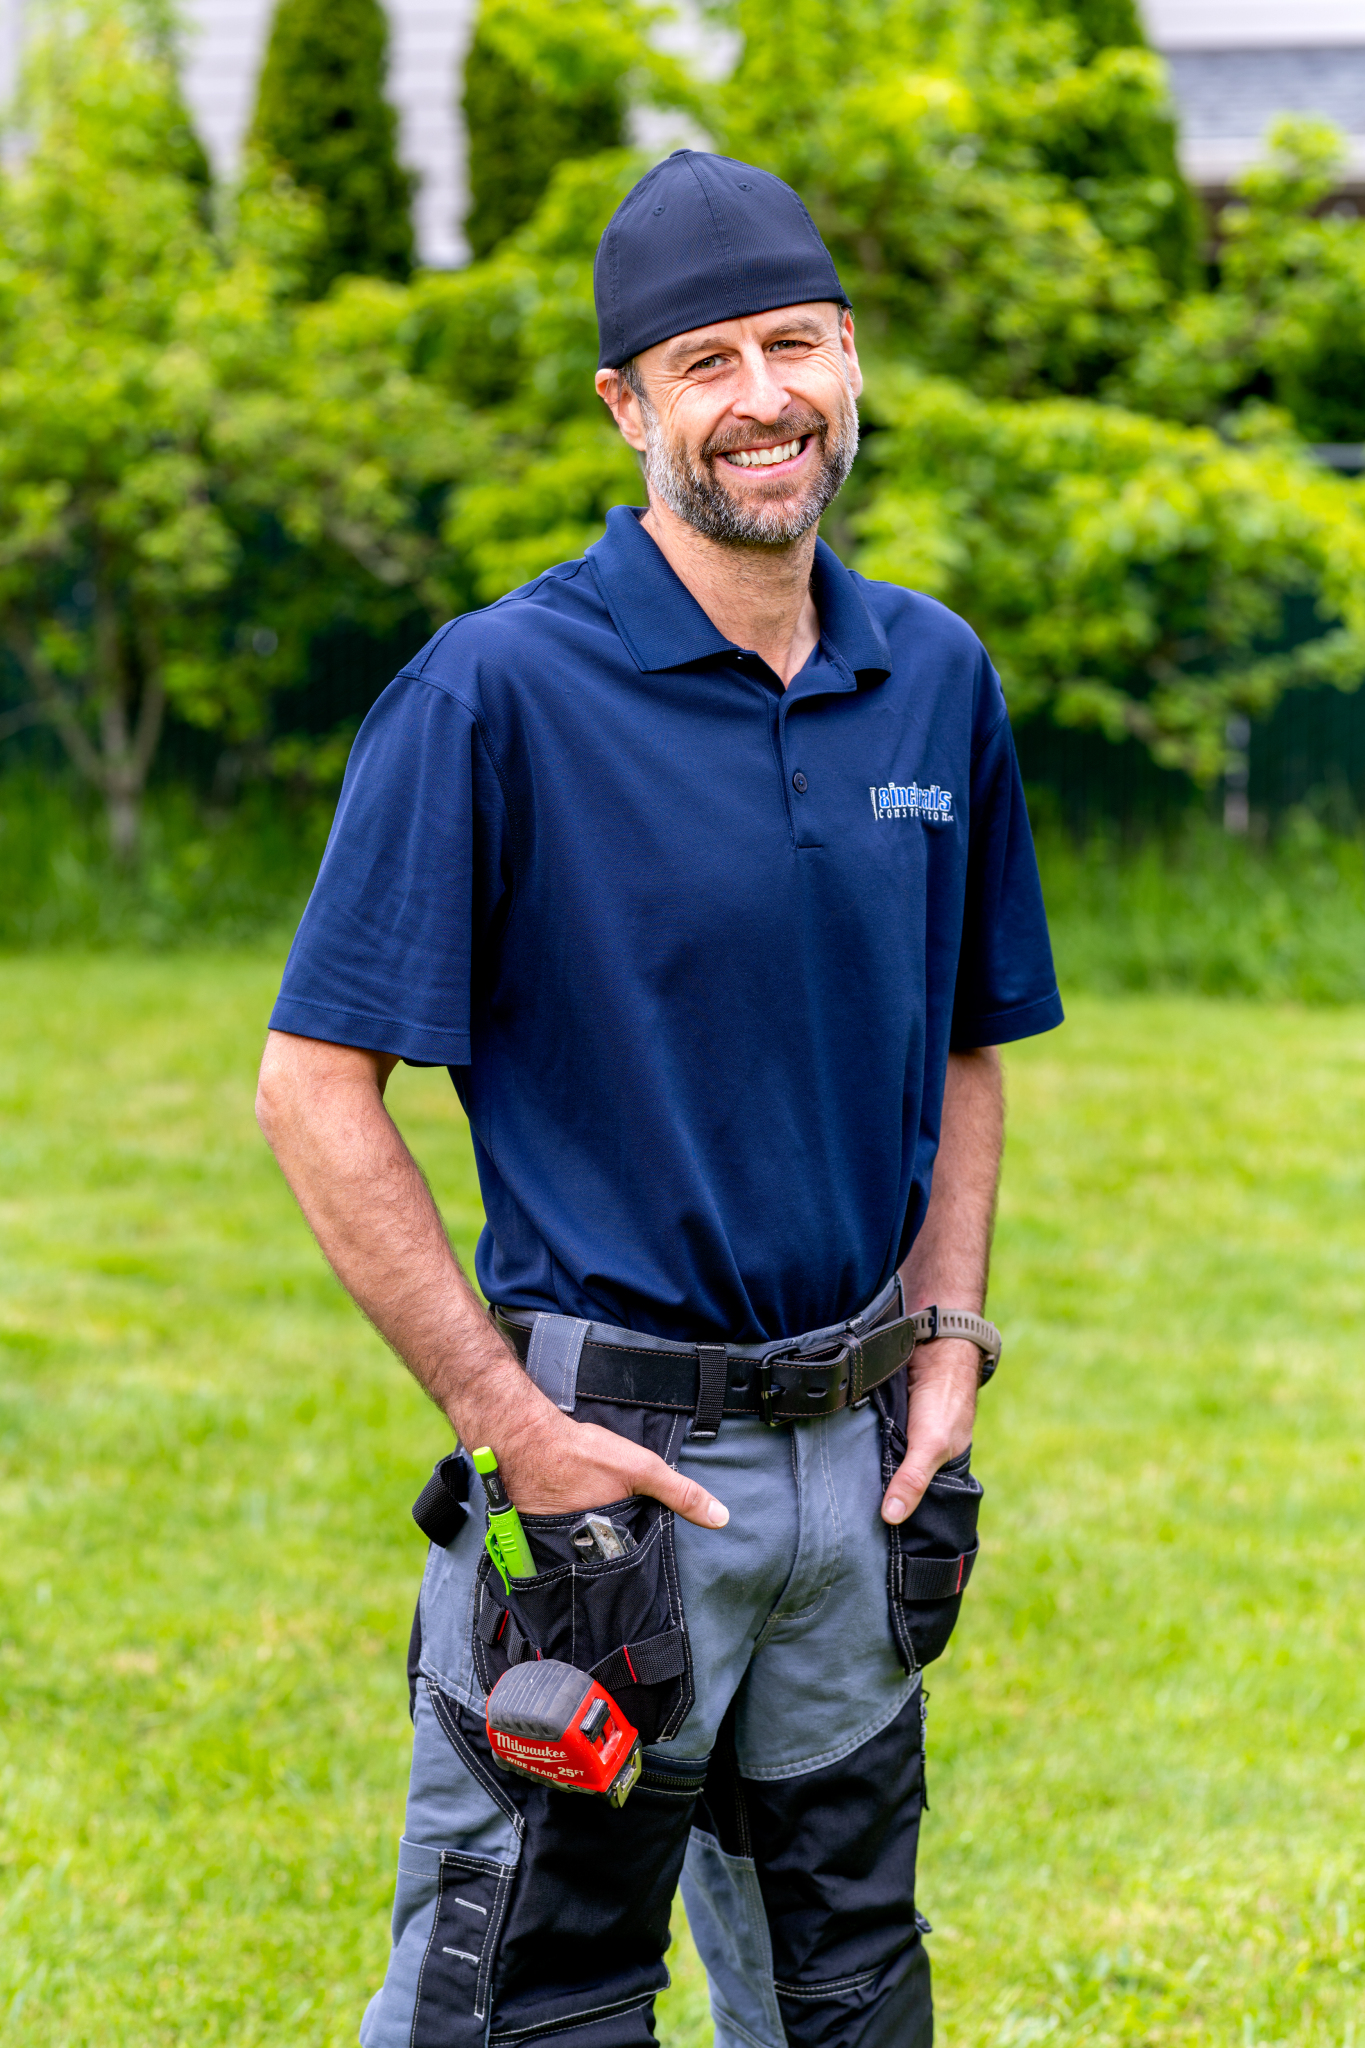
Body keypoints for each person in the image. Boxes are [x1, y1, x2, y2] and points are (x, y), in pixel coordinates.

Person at [256, 148, 1062, 2048]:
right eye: (705, 362)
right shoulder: (493, 695)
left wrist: (943, 1335)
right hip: (603, 1478)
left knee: (849, 1993)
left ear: (850, 359)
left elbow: (963, 1039)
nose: (761, 395)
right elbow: (313, 1089)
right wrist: (505, 1424)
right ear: (628, 405)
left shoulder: (931, 679)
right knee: (526, 1998)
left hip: (861, 1467)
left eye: (793, 343)